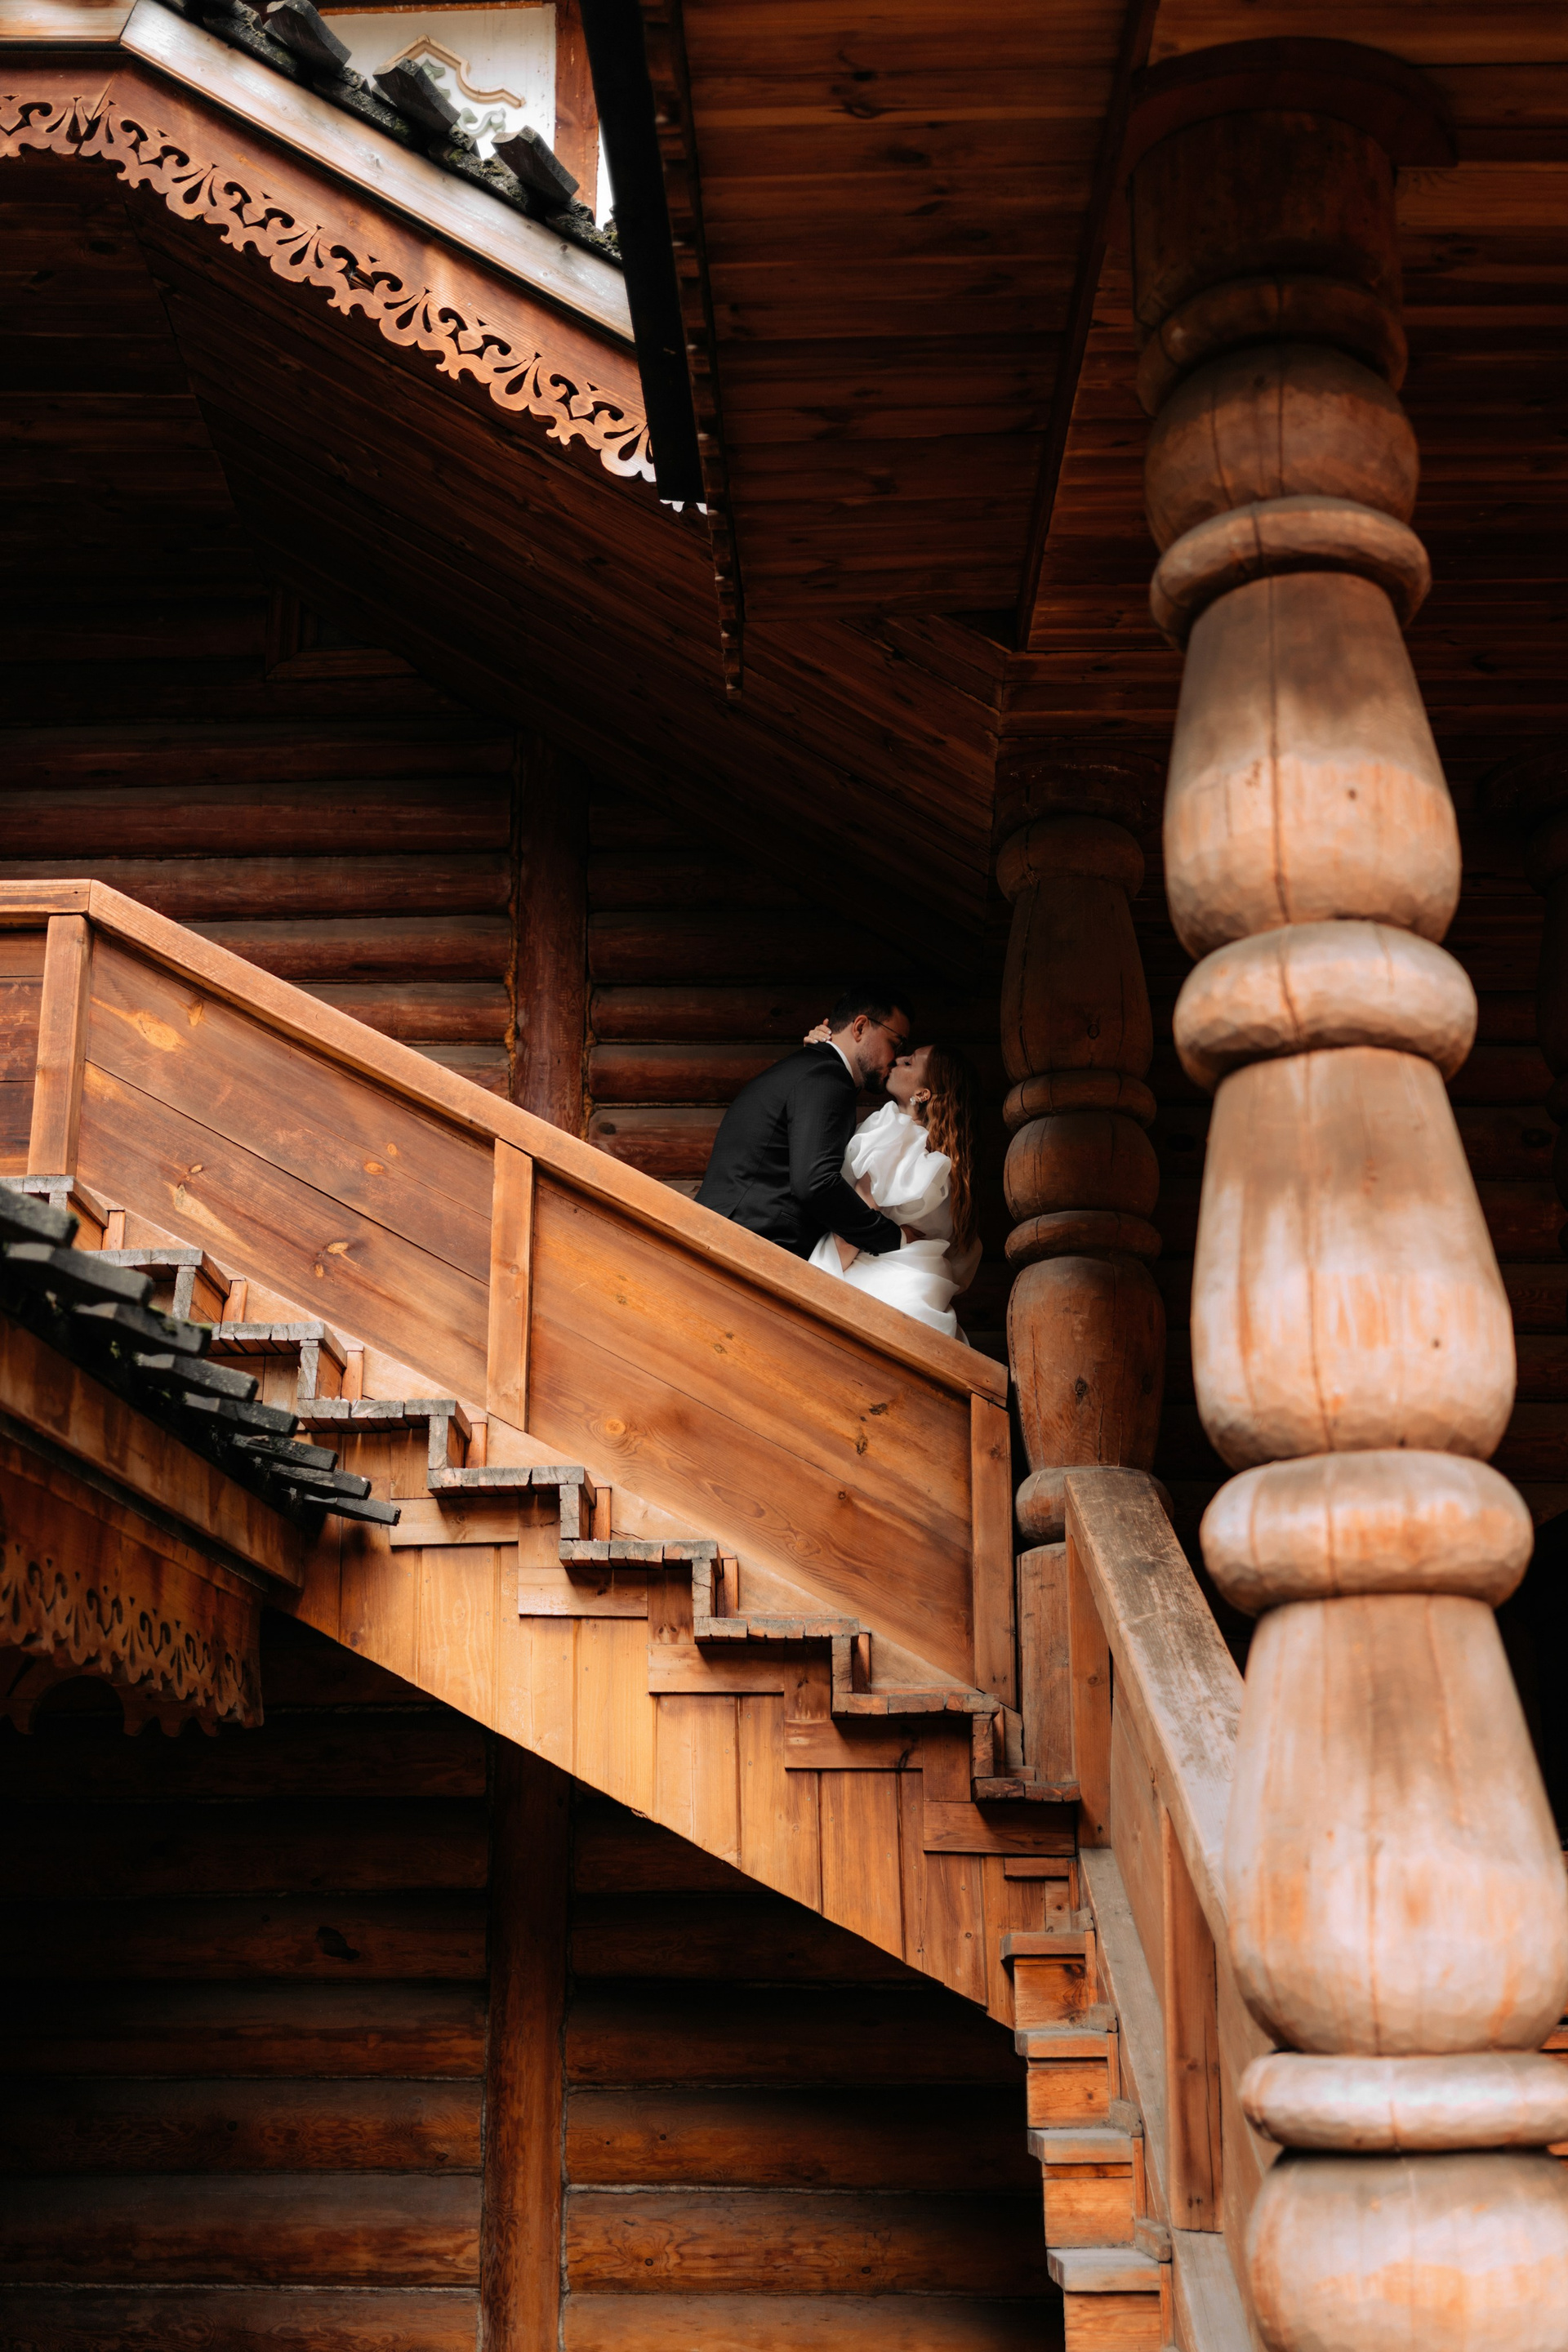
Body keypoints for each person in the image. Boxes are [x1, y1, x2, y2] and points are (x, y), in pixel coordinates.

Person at [694, 982, 915, 1261]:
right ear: (860, 1027)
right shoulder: (827, 1077)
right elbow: (816, 1184)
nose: (896, 1058)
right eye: (895, 1043)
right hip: (751, 1244)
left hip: (729, 1232)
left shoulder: (808, 1067)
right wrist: (893, 1237)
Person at [805, 1036, 982, 1340]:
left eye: (909, 1062)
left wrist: (816, 1281)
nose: (898, 1060)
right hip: (922, 1291)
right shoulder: (946, 1161)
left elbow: (855, 1223)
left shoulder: (893, 1135)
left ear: (922, 1094)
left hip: (879, 1289)